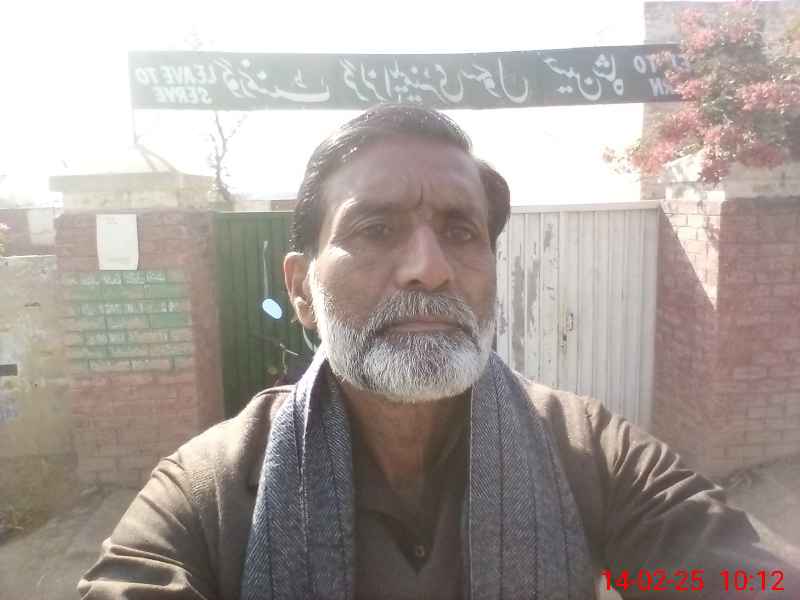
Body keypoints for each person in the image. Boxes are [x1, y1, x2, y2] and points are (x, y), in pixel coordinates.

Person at [79, 104, 798, 599]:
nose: (430, 268)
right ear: (300, 289)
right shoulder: (208, 492)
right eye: (376, 229)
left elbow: (736, 577)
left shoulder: (592, 454)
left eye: (461, 232)